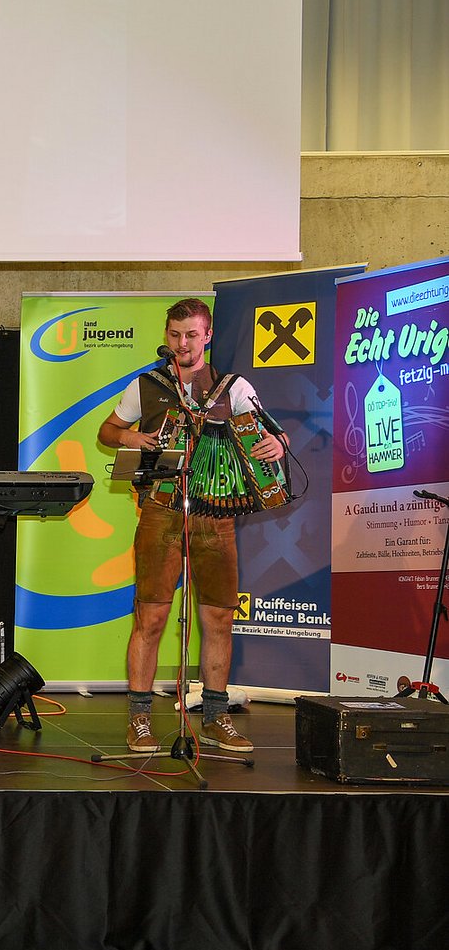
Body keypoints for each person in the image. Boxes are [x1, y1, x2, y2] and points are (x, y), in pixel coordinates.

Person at [97, 298, 287, 754]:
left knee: (218, 616)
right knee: (151, 615)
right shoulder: (147, 385)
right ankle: (140, 718)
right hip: (160, 510)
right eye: (175, 335)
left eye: (191, 335)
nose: (182, 343)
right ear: (167, 336)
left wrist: (277, 445)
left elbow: (273, 433)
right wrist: (129, 436)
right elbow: (107, 431)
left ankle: (216, 717)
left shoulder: (233, 388)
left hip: (215, 516)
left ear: (208, 336)